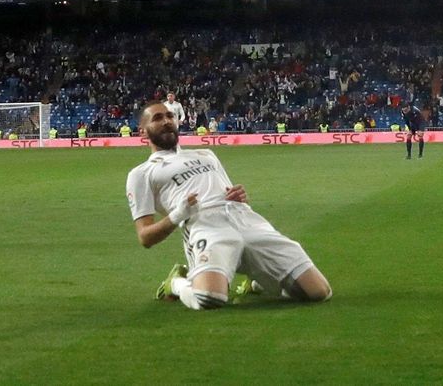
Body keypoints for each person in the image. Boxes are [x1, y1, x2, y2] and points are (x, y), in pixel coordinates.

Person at [126, 101, 331, 311]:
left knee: (319, 292)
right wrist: (179, 214)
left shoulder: (206, 154)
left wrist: (238, 195)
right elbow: (145, 237)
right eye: (158, 118)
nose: (167, 121)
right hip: (206, 225)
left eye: (170, 116)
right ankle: (176, 283)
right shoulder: (141, 174)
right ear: (143, 132)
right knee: (209, 298)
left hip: (245, 220)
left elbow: (227, 192)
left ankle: (257, 282)